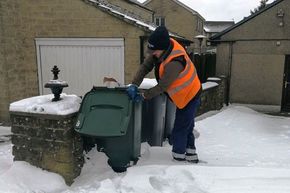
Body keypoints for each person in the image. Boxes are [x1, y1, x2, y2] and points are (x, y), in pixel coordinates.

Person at [127, 26, 202, 163]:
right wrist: (134, 84)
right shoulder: (161, 51)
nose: (152, 54)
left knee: (181, 127)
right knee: (187, 125)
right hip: (182, 95)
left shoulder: (175, 62)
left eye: (154, 51)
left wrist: (144, 96)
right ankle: (191, 155)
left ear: (163, 48)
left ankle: (178, 159)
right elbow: (145, 67)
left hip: (190, 94)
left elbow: (162, 86)